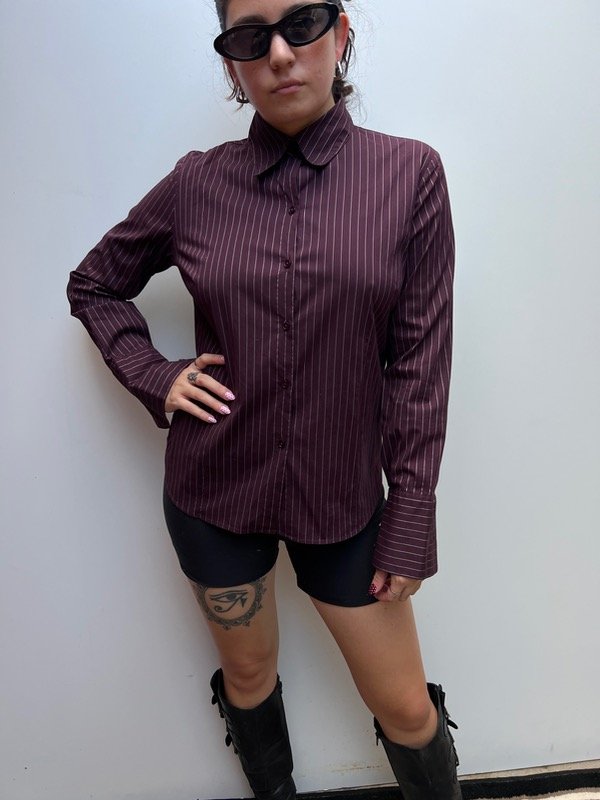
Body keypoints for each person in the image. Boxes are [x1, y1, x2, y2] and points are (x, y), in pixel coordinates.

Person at [67, 1, 461, 797]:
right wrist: (156, 375)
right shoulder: (196, 183)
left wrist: (412, 510)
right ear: (232, 62)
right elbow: (95, 284)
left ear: (341, 33)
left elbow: (421, 362)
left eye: (301, 24)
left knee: (405, 707)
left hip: (346, 501)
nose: (280, 53)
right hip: (214, 492)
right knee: (248, 678)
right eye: (251, 36)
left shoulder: (410, 175)